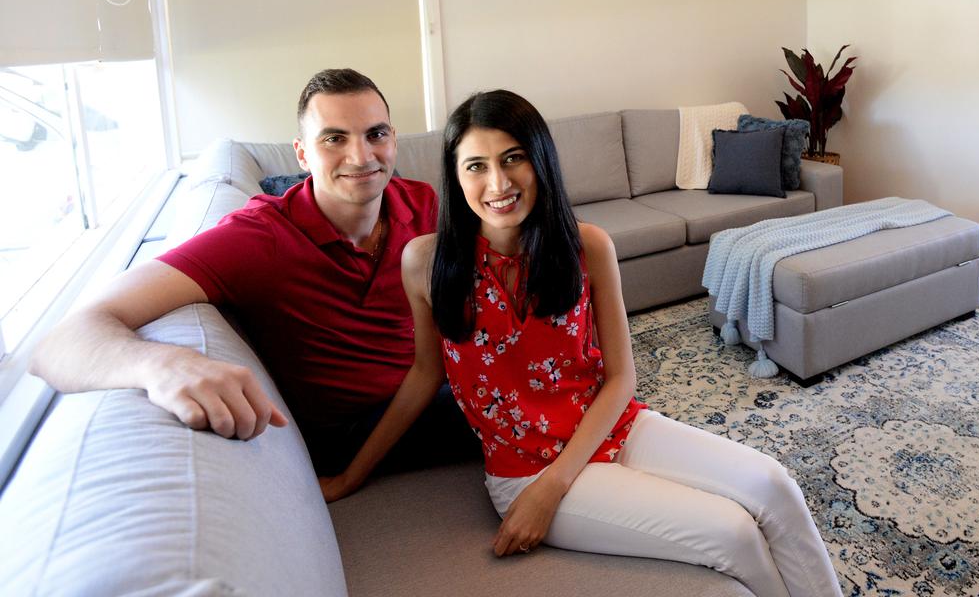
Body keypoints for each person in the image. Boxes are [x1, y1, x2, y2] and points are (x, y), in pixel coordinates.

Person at [389, 90, 842, 597]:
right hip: (524, 471)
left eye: (513, 158)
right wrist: (348, 477)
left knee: (774, 485)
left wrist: (557, 485)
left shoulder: (587, 246)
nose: (497, 182)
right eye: (476, 165)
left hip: (613, 426)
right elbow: (424, 376)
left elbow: (622, 377)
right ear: (454, 177)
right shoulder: (426, 262)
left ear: (540, 161)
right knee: (732, 533)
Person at [31, 68, 475, 501]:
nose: (361, 156)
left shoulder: (423, 204)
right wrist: (159, 366)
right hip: (353, 429)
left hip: (430, 382)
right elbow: (58, 343)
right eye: (334, 139)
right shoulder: (256, 239)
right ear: (302, 154)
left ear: (394, 140)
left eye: (375, 134)